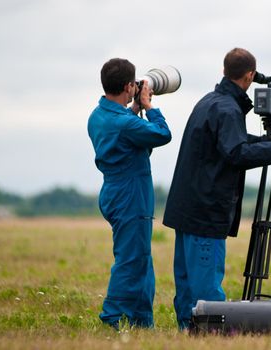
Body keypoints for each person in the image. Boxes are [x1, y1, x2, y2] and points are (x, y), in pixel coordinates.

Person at [163, 48, 271, 329]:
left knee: (187, 283)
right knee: (207, 288)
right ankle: (212, 334)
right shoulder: (227, 109)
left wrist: (268, 143)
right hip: (206, 212)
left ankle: (188, 331)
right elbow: (235, 153)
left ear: (225, 71)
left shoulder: (210, 102)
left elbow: (230, 141)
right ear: (250, 76)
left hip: (187, 209)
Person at [87, 58, 172, 329]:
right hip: (131, 193)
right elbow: (162, 134)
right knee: (131, 259)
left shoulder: (98, 115)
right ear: (128, 85)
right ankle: (112, 317)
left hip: (114, 189)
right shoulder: (124, 123)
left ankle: (141, 320)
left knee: (141, 259)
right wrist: (149, 107)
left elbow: (123, 130)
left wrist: (133, 108)